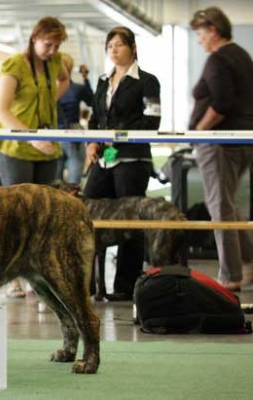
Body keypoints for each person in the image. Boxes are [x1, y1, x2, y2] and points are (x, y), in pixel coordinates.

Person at [0, 16, 70, 298]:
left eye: (57, 45)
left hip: (48, 147)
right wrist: (31, 135)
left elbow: (65, 80)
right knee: (15, 216)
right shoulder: (14, 64)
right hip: (16, 148)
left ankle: (36, 276)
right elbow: (1, 110)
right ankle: (10, 277)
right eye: (48, 44)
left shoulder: (55, 61)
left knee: (42, 216)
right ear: (34, 38)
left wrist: (48, 101)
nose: (52, 50)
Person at [84, 26, 161, 300]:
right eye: (110, 46)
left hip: (132, 158)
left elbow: (152, 121)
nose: (114, 50)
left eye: (119, 45)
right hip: (104, 158)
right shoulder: (103, 80)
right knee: (87, 214)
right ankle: (89, 285)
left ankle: (125, 287)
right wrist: (92, 141)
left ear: (133, 48)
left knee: (131, 221)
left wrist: (119, 136)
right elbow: (95, 118)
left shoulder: (147, 81)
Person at [189, 7, 253, 292]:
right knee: (229, 207)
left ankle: (230, 277)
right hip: (242, 142)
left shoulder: (218, 59)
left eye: (201, 34)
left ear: (213, 31)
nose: (199, 40)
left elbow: (221, 103)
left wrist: (199, 131)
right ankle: (249, 264)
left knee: (220, 209)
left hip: (219, 144)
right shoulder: (242, 55)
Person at [55, 53, 93, 184]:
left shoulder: (48, 90)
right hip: (71, 134)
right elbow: (92, 101)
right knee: (73, 184)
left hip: (54, 134)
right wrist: (85, 78)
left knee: (54, 184)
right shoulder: (77, 89)